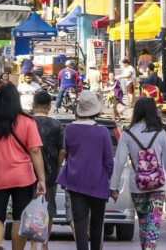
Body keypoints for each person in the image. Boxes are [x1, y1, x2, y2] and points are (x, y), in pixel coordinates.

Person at [0, 82, 46, 250]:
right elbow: (35, 151)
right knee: (19, 218)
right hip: (23, 177)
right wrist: (41, 179)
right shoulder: (28, 122)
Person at [111, 97, 166, 250]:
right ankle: (149, 248)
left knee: (143, 221)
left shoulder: (127, 134)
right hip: (158, 185)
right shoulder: (160, 134)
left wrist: (114, 187)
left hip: (137, 185)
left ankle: (146, 247)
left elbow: (119, 162)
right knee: (154, 220)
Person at [57, 91, 114, 250]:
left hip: (75, 182)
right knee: (97, 224)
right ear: (95, 110)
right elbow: (108, 161)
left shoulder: (69, 129)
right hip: (98, 183)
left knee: (80, 224)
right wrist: (108, 179)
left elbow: (66, 152)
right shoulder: (102, 131)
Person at [31, 91, 64, 250]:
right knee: (48, 209)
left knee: (30, 208)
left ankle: (32, 244)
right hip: (50, 174)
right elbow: (63, 151)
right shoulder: (57, 125)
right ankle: (44, 243)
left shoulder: (26, 123)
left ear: (33, 105)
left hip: (28, 173)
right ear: (50, 107)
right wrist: (57, 167)